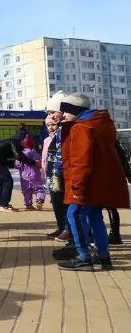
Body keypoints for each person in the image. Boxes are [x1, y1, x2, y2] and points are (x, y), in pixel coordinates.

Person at [57, 93, 129, 271]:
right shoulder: (102, 123)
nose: (63, 115)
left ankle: (83, 257)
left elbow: (81, 161)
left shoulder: (81, 128)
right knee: (95, 216)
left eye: (66, 111)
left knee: (74, 214)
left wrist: (76, 186)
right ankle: (103, 257)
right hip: (98, 182)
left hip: (86, 183)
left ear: (75, 110)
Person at [0, 135, 37, 212]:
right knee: (7, 180)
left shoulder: (10, 141)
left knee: (1, 181)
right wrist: (34, 163)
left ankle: (1, 204)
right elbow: (19, 156)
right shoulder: (15, 142)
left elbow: (12, 157)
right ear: (22, 142)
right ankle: (4, 205)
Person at [41, 112, 68, 240]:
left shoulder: (61, 137)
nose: (51, 127)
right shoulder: (47, 140)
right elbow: (44, 159)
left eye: (53, 124)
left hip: (60, 175)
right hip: (50, 176)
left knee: (64, 203)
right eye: (48, 125)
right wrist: (44, 172)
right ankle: (61, 226)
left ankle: (67, 229)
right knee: (56, 203)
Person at [15, 135, 45, 210]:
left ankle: (28, 205)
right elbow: (41, 163)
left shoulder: (21, 154)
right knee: (39, 189)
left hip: (24, 176)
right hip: (35, 174)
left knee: (26, 190)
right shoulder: (35, 152)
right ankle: (39, 201)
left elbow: (17, 165)